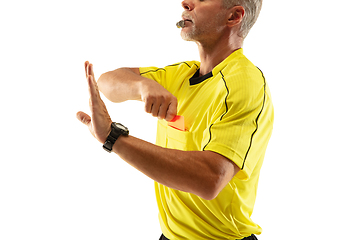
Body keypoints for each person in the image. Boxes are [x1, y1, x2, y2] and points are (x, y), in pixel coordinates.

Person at [76, 0, 273, 239]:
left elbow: (211, 178)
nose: (186, 2)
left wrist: (113, 138)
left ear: (233, 17)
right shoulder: (182, 74)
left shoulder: (245, 83)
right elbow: (107, 82)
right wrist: (142, 85)